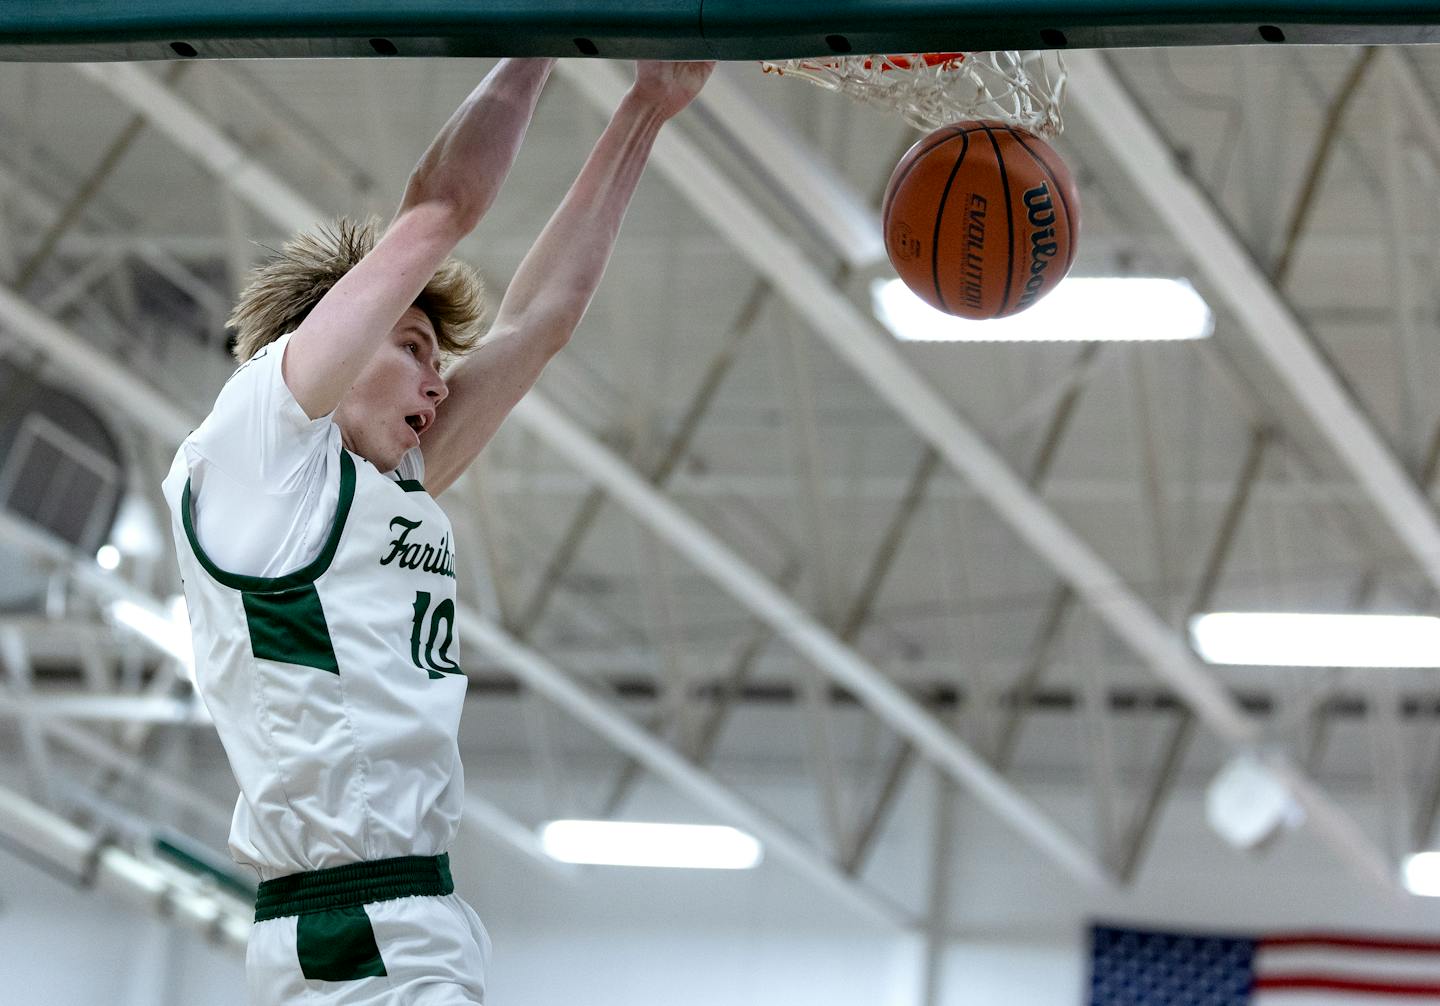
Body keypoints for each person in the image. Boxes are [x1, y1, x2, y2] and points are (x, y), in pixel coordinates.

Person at [161, 57, 715, 1004]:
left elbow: (543, 317)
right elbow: (438, 211)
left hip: (400, 915)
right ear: (329, 340)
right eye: (412, 348)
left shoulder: (383, 482)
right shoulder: (259, 449)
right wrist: (537, 42)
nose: (437, 381)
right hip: (355, 921)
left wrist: (647, 109)